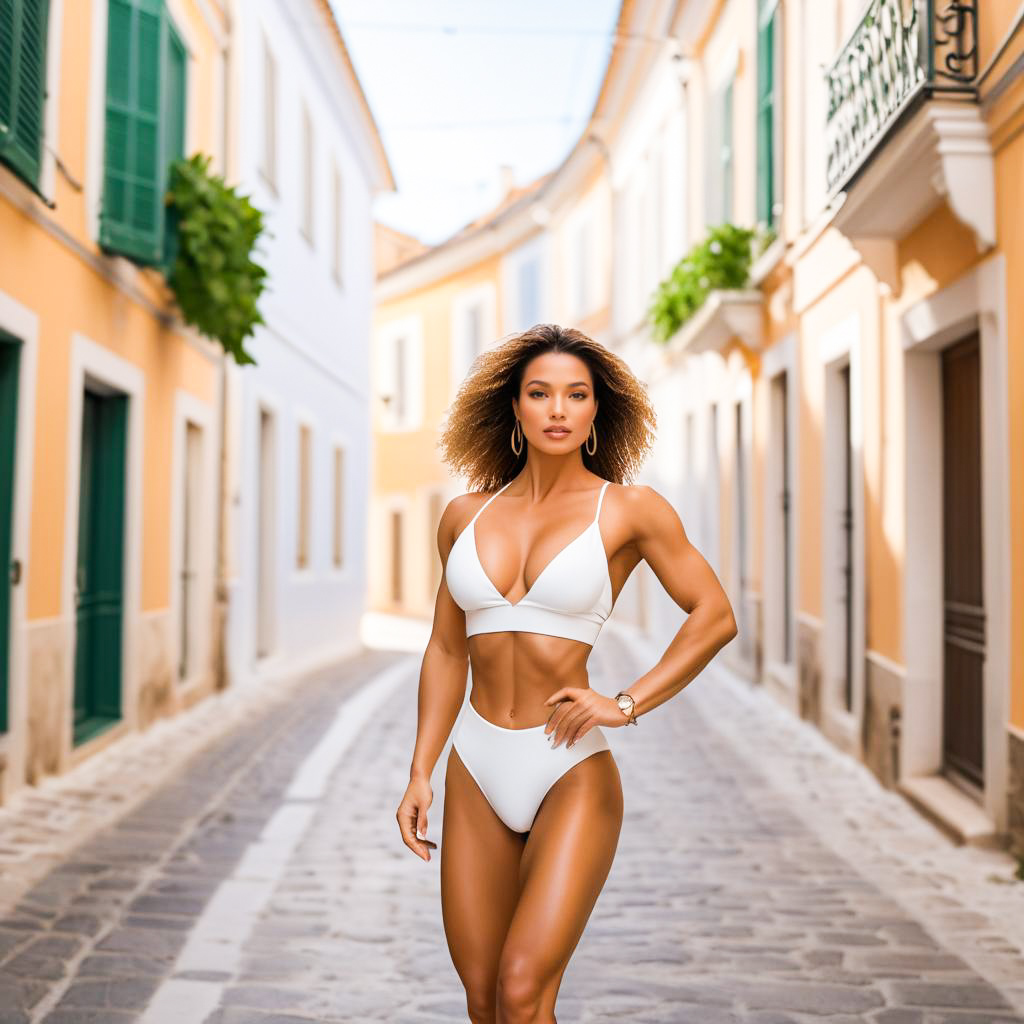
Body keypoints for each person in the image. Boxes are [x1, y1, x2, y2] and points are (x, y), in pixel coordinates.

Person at [396, 323, 737, 1023]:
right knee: (486, 1001)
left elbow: (713, 614)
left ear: (595, 413)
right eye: (540, 393)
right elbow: (446, 649)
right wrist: (421, 770)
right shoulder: (463, 516)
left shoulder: (630, 510)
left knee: (523, 988)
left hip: (568, 769)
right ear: (514, 410)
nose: (557, 409)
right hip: (476, 765)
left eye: (576, 395)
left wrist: (627, 701)